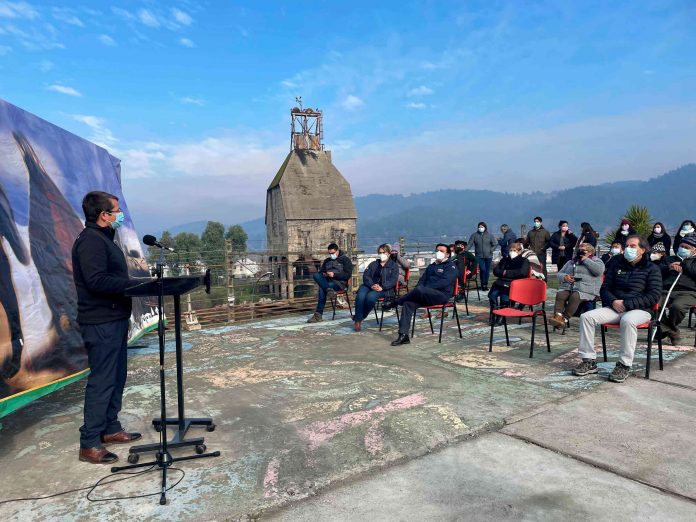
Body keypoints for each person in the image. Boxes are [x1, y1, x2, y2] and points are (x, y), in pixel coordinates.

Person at [72, 191, 143, 464]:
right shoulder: (90, 241)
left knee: (117, 376)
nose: (119, 215)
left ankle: (110, 428)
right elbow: (97, 281)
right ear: (104, 215)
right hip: (100, 322)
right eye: (116, 211)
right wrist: (133, 285)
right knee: (102, 381)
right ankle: (89, 442)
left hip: (113, 319)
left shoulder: (103, 238)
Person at [573, 235, 662, 383]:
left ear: (643, 250)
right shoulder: (617, 265)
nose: (628, 249)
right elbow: (605, 289)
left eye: (633, 246)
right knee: (586, 317)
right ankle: (589, 360)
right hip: (615, 307)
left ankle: (624, 364)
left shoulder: (652, 269)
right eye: (627, 246)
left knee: (628, 320)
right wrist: (613, 301)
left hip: (640, 310)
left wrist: (626, 304)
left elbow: (653, 296)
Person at [385, 244, 458, 346]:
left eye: (442, 251)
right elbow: (421, 281)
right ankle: (403, 335)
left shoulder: (451, 266)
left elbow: (444, 282)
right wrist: (422, 289)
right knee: (408, 304)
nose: (438, 253)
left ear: (448, 254)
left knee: (419, 290)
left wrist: (424, 288)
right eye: (437, 250)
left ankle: (395, 302)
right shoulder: (431, 266)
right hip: (425, 294)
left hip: (441, 295)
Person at [549, 243, 605, 329]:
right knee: (560, 294)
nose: (580, 251)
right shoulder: (571, 262)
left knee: (575, 296)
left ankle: (564, 319)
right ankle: (557, 317)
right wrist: (565, 277)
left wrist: (585, 260)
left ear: (590, 252)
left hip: (586, 289)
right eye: (579, 249)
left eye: (583, 250)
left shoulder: (596, 261)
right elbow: (559, 273)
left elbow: (598, 271)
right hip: (569, 286)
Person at [658, 235, 696, 345]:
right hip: (665, 290)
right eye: (681, 246)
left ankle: (664, 328)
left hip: (688, 292)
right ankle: (671, 331)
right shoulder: (669, 259)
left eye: (687, 247)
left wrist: (683, 264)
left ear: (694, 250)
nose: (683, 249)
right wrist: (668, 267)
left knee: (677, 307)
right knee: (653, 304)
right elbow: (656, 272)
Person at [352, 244, 399, 331]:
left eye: (383, 252)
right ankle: (357, 321)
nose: (381, 254)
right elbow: (366, 276)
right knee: (360, 296)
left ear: (388, 253)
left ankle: (360, 316)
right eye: (380, 252)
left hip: (384, 289)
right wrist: (372, 285)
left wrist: (382, 287)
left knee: (370, 297)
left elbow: (393, 280)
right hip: (370, 285)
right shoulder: (373, 264)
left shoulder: (394, 266)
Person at [307, 243, 354, 323]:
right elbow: (321, 272)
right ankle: (329, 290)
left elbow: (347, 275)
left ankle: (318, 315)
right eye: (330, 253)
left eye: (333, 253)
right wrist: (324, 274)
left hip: (339, 283)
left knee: (322, 289)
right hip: (328, 281)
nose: (331, 255)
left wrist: (334, 275)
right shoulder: (327, 261)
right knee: (316, 275)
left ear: (337, 251)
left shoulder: (345, 260)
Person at [488, 243, 529, 324]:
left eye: (514, 251)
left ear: (519, 251)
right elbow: (496, 270)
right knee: (492, 296)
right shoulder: (505, 260)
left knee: (504, 297)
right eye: (510, 250)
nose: (512, 252)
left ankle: (501, 317)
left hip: (513, 283)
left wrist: (506, 272)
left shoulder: (524, 261)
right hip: (500, 282)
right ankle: (494, 314)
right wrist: (503, 272)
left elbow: (522, 272)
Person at [467, 222, 497, 291]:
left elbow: (495, 244)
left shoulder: (490, 235)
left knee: (487, 271)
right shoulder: (474, 235)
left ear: (485, 227)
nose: (481, 228)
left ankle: (485, 284)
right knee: (482, 269)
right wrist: (465, 251)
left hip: (488, 256)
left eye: (482, 227)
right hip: (479, 256)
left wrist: (491, 250)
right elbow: (470, 244)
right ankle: (482, 284)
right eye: (479, 227)